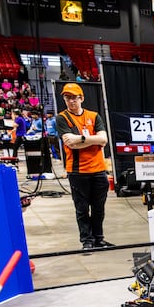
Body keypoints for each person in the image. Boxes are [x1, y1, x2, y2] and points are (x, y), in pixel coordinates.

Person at [56, 82, 112, 250]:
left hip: (98, 170)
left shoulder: (94, 116)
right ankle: (86, 241)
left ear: (81, 98)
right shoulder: (62, 118)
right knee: (81, 209)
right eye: (67, 98)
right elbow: (69, 143)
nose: (71, 101)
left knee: (98, 208)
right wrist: (91, 140)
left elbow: (104, 140)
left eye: (74, 98)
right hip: (77, 172)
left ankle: (98, 239)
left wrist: (79, 139)